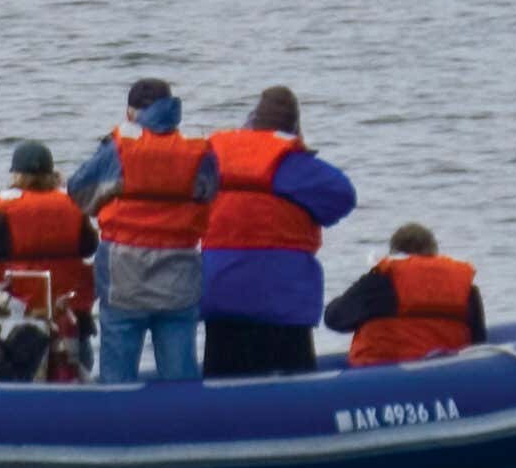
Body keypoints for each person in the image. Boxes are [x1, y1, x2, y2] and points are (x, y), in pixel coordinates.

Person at [199, 85, 356, 377]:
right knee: (295, 383)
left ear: (252, 120)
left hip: (220, 293)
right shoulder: (296, 165)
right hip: (283, 300)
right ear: (293, 126)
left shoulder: (211, 160)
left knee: (222, 379)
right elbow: (343, 198)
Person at [66, 78, 215, 383]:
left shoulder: (117, 148)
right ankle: (185, 411)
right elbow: (209, 194)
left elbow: (78, 191)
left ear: (130, 113)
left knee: (117, 373)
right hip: (180, 270)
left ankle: (116, 411)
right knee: (180, 372)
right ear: (172, 110)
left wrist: (110, 202)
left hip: (123, 271)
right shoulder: (199, 152)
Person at [0, 141, 100, 368]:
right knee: (79, 365)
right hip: (69, 312)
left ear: (16, 175)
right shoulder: (71, 204)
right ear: (51, 174)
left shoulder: (4, 208)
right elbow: (89, 245)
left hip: (19, 312)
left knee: (18, 369)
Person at [324, 223, 487, 367]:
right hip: (450, 372)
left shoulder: (380, 280)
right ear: (434, 252)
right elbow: (478, 341)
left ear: (394, 253)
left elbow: (334, 319)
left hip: (384, 372)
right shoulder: (466, 288)